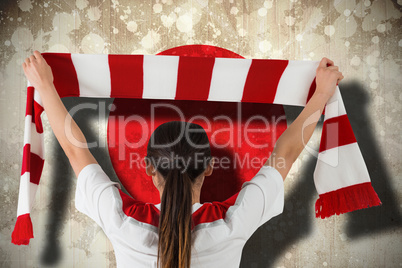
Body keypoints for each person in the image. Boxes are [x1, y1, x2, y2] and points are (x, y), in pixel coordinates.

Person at [22, 51, 344, 268]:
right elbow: (284, 154)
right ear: (208, 166)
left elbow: (77, 150)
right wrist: (321, 93)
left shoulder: (124, 222)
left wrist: (46, 86)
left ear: (148, 168)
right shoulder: (232, 222)